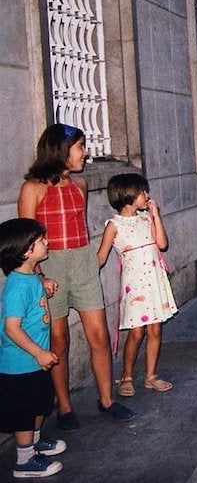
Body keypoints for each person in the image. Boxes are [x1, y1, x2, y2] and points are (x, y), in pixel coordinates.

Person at [17, 124, 133, 429]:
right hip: (50, 265)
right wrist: (39, 276)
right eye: (80, 147)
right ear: (61, 151)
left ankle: (106, 399)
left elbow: (79, 228)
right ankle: (65, 407)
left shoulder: (79, 186)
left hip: (81, 262)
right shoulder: (33, 188)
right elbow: (26, 238)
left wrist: (91, 261)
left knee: (99, 335)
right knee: (59, 339)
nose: (85, 153)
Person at [95, 173, 178, 397]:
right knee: (136, 333)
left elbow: (162, 243)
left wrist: (155, 216)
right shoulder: (114, 225)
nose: (147, 195)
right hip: (135, 286)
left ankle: (151, 376)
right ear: (129, 195)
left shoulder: (146, 219)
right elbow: (101, 256)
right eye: (143, 192)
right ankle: (127, 375)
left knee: (155, 330)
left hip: (154, 281)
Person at [0, 218, 66, 478]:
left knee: (40, 404)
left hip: (36, 362)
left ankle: (35, 442)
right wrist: (39, 352)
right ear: (26, 251)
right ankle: (24, 460)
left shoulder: (30, 277)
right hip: (21, 365)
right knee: (25, 412)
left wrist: (44, 285)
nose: (46, 242)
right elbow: (12, 328)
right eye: (41, 241)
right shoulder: (16, 287)